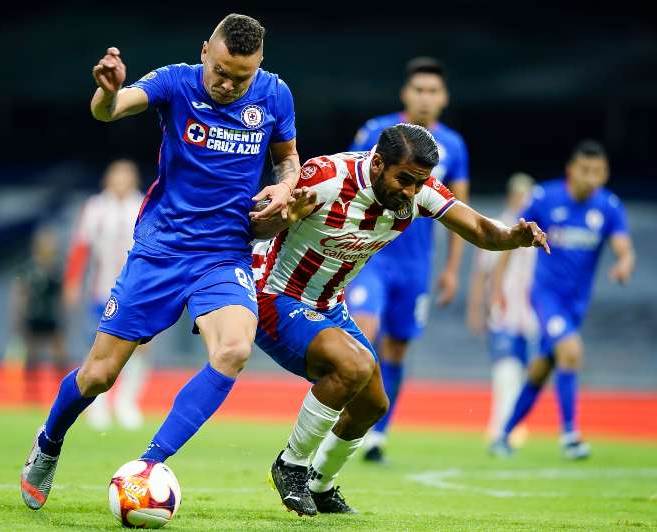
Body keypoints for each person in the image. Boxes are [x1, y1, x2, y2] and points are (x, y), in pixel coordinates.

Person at [21, 13, 301, 510]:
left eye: (242, 77)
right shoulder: (175, 82)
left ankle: (150, 463)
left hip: (224, 253)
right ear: (204, 53)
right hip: (161, 251)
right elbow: (110, 111)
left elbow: (287, 158)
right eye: (220, 71)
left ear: (259, 67)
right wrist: (108, 93)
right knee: (98, 376)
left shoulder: (275, 94)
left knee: (234, 350)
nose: (229, 85)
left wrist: (283, 186)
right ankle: (48, 442)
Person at [251, 124, 550, 516]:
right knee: (353, 365)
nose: (410, 191)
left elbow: (478, 228)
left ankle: (320, 484)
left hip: (328, 302)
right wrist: (283, 217)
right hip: (275, 295)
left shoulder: (419, 189)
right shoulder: (324, 176)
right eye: (404, 180)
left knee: (373, 405)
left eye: (419, 182)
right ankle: (290, 464)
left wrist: (512, 237)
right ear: (377, 164)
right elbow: (254, 225)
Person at [346, 57, 470, 463]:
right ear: (406, 94)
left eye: (433, 91)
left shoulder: (454, 146)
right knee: (364, 329)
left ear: (445, 98)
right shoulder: (377, 133)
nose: (425, 97)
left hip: (416, 264)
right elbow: (349, 184)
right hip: (372, 255)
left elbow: (460, 210)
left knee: (397, 349)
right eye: (419, 89)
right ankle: (345, 418)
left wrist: (451, 270)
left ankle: (378, 433)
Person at [490, 140, 635, 460]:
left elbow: (623, 245)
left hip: (576, 304)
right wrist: (499, 283)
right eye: (585, 170)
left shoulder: (609, 206)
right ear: (571, 170)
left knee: (542, 368)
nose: (591, 177)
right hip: (545, 296)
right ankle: (570, 435)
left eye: (598, 171)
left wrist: (624, 262)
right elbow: (511, 236)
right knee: (571, 351)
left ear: (606, 172)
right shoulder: (545, 198)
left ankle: (503, 434)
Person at [63, 160, 147, 431]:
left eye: (126, 175)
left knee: (141, 348)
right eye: (116, 175)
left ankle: (126, 403)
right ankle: (96, 404)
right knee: (96, 346)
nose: (121, 180)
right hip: (102, 290)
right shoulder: (95, 207)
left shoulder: (143, 204)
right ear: (107, 179)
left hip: (138, 291)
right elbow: (81, 246)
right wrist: (73, 281)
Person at [466, 173, 538, 445]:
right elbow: (481, 273)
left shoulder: (538, 229)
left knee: (521, 369)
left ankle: (513, 425)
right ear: (512, 196)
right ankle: (500, 426)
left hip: (530, 312)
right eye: (521, 195)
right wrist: (477, 308)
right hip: (503, 307)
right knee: (505, 368)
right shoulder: (499, 226)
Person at [10, 228, 69, 404]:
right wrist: (18, 317)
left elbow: (63, 294)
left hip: (52, 316)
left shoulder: (58, 268)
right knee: (32, 357)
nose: (49, 247)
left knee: (60, 358)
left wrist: (64, 317)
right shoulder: (29, 267)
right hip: (34, 315)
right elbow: (20, 292)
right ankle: (31, 397)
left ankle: (63, 397)